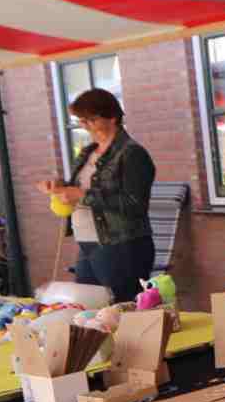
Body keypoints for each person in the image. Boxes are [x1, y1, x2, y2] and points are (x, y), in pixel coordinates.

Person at [38, 87, 157, 294]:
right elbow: (80, 188)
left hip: (121, 246)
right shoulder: (88, 152)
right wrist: (59, 187)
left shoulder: (132, 154)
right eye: (81, 120)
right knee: (88, 306)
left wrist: (82, 195)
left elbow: (134, 203)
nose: (85, 125)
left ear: (112, 117)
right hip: (88, 244)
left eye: (91, 120)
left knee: (122, 307)